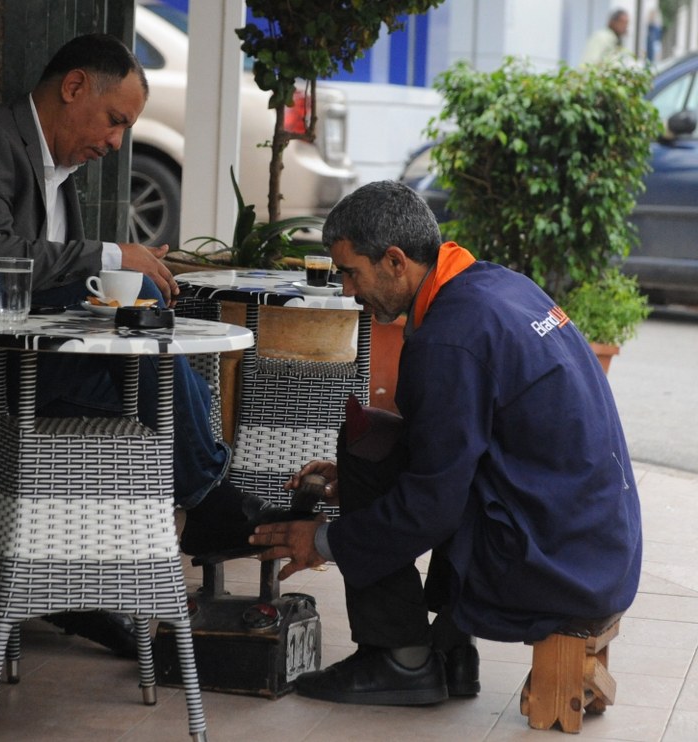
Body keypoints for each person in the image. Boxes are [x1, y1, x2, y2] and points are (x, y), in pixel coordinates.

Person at [0, 33, 283, 655]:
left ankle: (84, 582)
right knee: (135, 318)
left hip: (12, 357)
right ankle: (209, 500)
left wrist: (119, 280)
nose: (116, 143)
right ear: (74, 86)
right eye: (115, 121)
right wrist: (114, 256)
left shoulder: (55, 167)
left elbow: (48, 282)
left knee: (143, 366)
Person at [249, 180, 643, 706]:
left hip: (559, 568)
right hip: (600, 549)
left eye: (350, 272)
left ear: (394, 261)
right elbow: (462, 440)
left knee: (370, 446)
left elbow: (431, 509)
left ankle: (398, 660)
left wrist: (321, 541)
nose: (347, 290)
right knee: (393, 446)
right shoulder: (499, 286)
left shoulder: (447, 340)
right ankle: (455, 652)